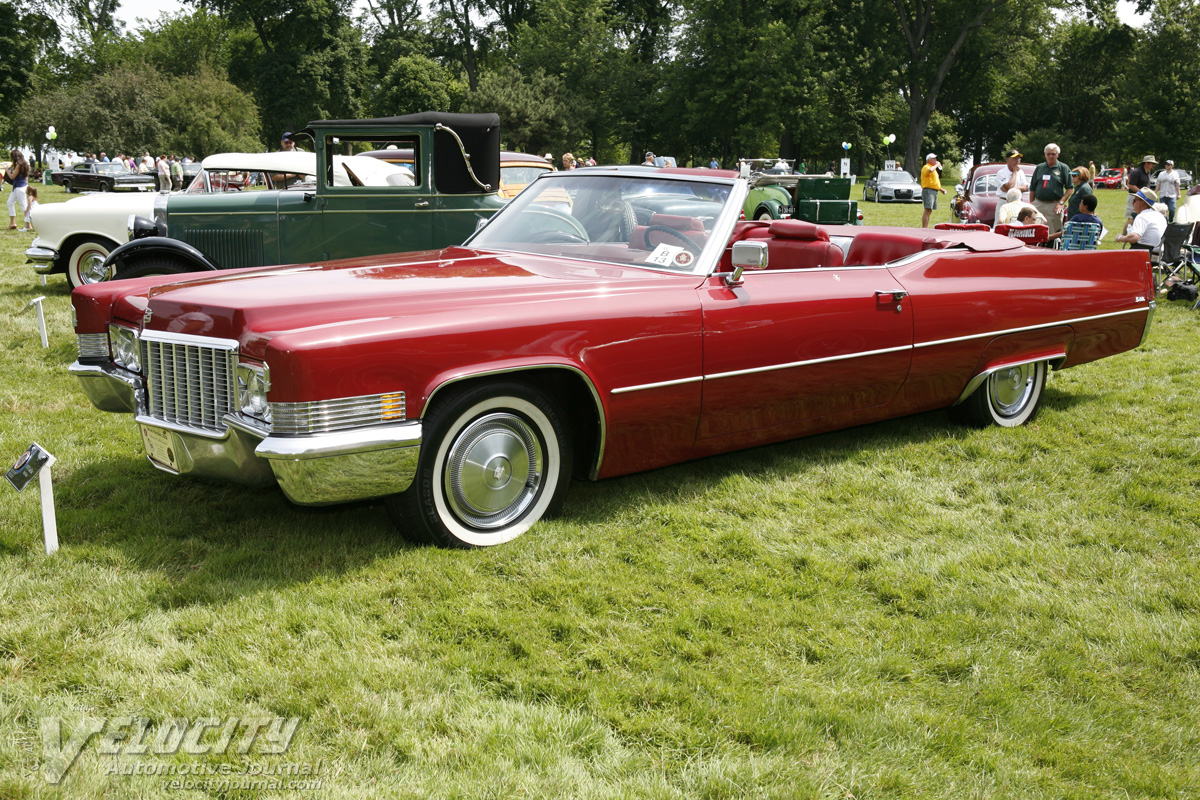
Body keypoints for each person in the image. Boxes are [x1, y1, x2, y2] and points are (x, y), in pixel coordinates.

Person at [1030, 143, 1072, 236]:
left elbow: (1069, 188)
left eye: (1053, 154)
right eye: (1048, 154)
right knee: (1036, 230)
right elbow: (1032, 187)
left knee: (1054, 232)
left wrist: (1061, 203)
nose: (1050, 156)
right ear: (1045, 154)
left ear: (1058, 155)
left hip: (1054, 205)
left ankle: (1053, 249)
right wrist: (1032, 204)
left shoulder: (1063, 168)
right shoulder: (1040, 167)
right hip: (1039, 203)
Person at [993, 149, 1029, 226]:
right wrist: (1015, 172)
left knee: (1016, 225)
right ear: (1007, 159)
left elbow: (1026, 187)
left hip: (1018, 202)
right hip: (1004, 202)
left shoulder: (1021, 172)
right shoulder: (1001, 173)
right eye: (1014, 158)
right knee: (1000, 225)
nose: (1017, 160)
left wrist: (1011, 190)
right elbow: (1009, 186)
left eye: (1018, 158)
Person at [1124, 155, 1155, 232]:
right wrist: (1142, 193)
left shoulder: (1147, 173)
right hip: (1134, 198)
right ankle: (1124, 235)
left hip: (1142, 199)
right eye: (1152, 163)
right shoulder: (1137, 172)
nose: (1153, 165)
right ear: (1146, 163)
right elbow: (1130, 185)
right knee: (1132, 218)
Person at [5, 150, 30, 230]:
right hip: (19, 186)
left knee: (24, 206)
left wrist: (7, 171)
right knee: (9, 203)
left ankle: (28, 224)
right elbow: (26, 177)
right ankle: (12, 223)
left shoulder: (18, 165)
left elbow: (12, 177)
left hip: (19, 187)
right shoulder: (24, 164)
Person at [920, 152, 945, 228]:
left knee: (929, 210)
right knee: (927, 209)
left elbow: (933, 182)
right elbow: (930, 170)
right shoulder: (926, 167)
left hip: (933, 191)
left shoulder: (934, 170)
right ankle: (924, 228)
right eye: (933, 159)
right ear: (929, 160)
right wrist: (937, 165)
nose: (935, 160)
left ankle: (926, 227)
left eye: (935, 158)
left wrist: (941, 189)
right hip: (928, 191)